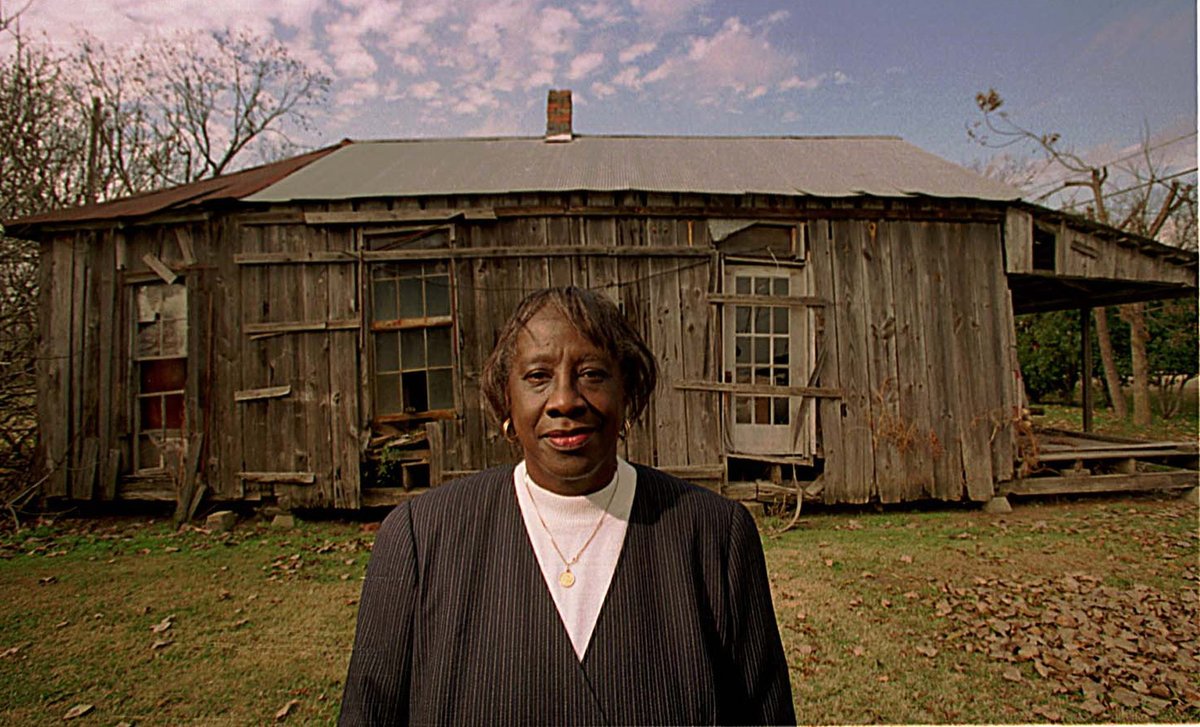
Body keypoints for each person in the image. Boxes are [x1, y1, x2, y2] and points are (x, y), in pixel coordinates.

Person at [339, 286, 794, 725]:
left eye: (592, 374)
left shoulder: (714, 536)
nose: (564, 401)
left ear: (628, 393)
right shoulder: (420, 537)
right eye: (538, 376)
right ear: (506, 400)